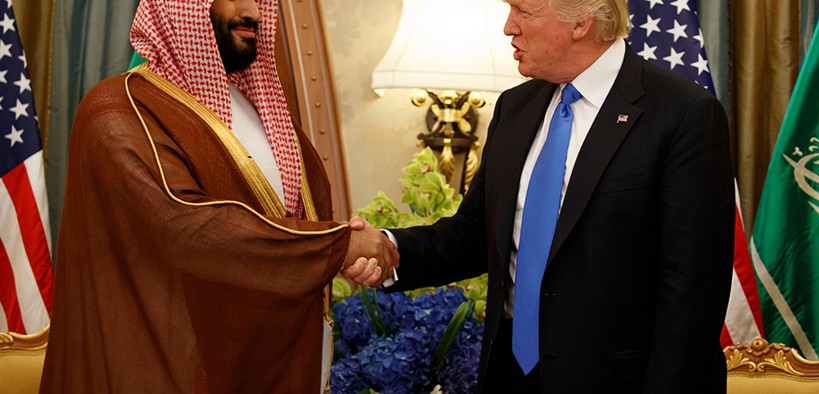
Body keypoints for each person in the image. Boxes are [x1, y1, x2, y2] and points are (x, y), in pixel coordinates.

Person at [355, 0, 734, 392]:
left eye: (523, 10)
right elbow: (475, 233)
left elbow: (692, 295)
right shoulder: (515, 107)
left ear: (582, 22)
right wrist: (389, 249)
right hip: (509, 373)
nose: (508, 27)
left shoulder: (683, 114)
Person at [40, 0, 397, 392]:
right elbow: (187, 228)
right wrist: (337, 246)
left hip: (269, 366)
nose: (255, 13)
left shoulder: (264, 112)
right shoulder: (116, 111)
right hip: (166, 370)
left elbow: (296, 220)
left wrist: (342, 249)